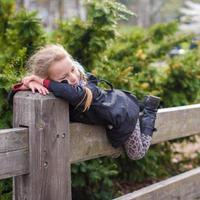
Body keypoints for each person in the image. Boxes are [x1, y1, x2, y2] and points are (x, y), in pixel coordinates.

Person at [8, 44, 160, 160]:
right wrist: (28, 84)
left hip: (124, 112)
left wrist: (41, 81)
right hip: (112, 114)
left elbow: (74, 95)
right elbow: (11, 99)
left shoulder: (86, 88)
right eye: (64, 78)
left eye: (72, 70)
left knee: (137, 153)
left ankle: (149, 110)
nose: (73, 78)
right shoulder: (61, 87)